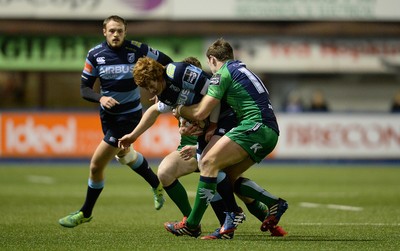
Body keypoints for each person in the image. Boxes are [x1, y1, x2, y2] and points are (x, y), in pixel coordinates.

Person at [119, 56, 287, 239]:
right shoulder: (167, 93)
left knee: (213, 170)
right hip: (197, 143)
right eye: (146, 87)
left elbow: (211, 96)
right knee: (210, 175)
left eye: (151, 84)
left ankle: (226, 218)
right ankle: (214, 221)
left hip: (223, 126)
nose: (150, 89)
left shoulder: (182, 77)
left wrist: (211, 124)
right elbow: (156, 111)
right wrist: (133, 136)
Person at [166, 38, 288, 238]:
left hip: (254, 127)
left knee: (207, 164)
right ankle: (273, 204)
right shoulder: (243, 70)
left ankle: (192, 223)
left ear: (212, 59)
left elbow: (201, 111)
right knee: (224, 178)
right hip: (270, 131)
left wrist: (179, 108)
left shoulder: (222, 74)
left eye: (210, 64)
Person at [58, 15, 173, 228]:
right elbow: (84, 88)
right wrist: (100, 97)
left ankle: (85, 212)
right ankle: (156, 184)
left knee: (96, 165)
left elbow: (167, 62)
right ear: (104, 31)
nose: (116, 34)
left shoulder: (136, 50)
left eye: (119, 30)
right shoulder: (95, 55)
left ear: (125, 31)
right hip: (107, 117)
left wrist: (161, 89)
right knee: (124, 154)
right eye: (111, 30)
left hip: (130, 116)